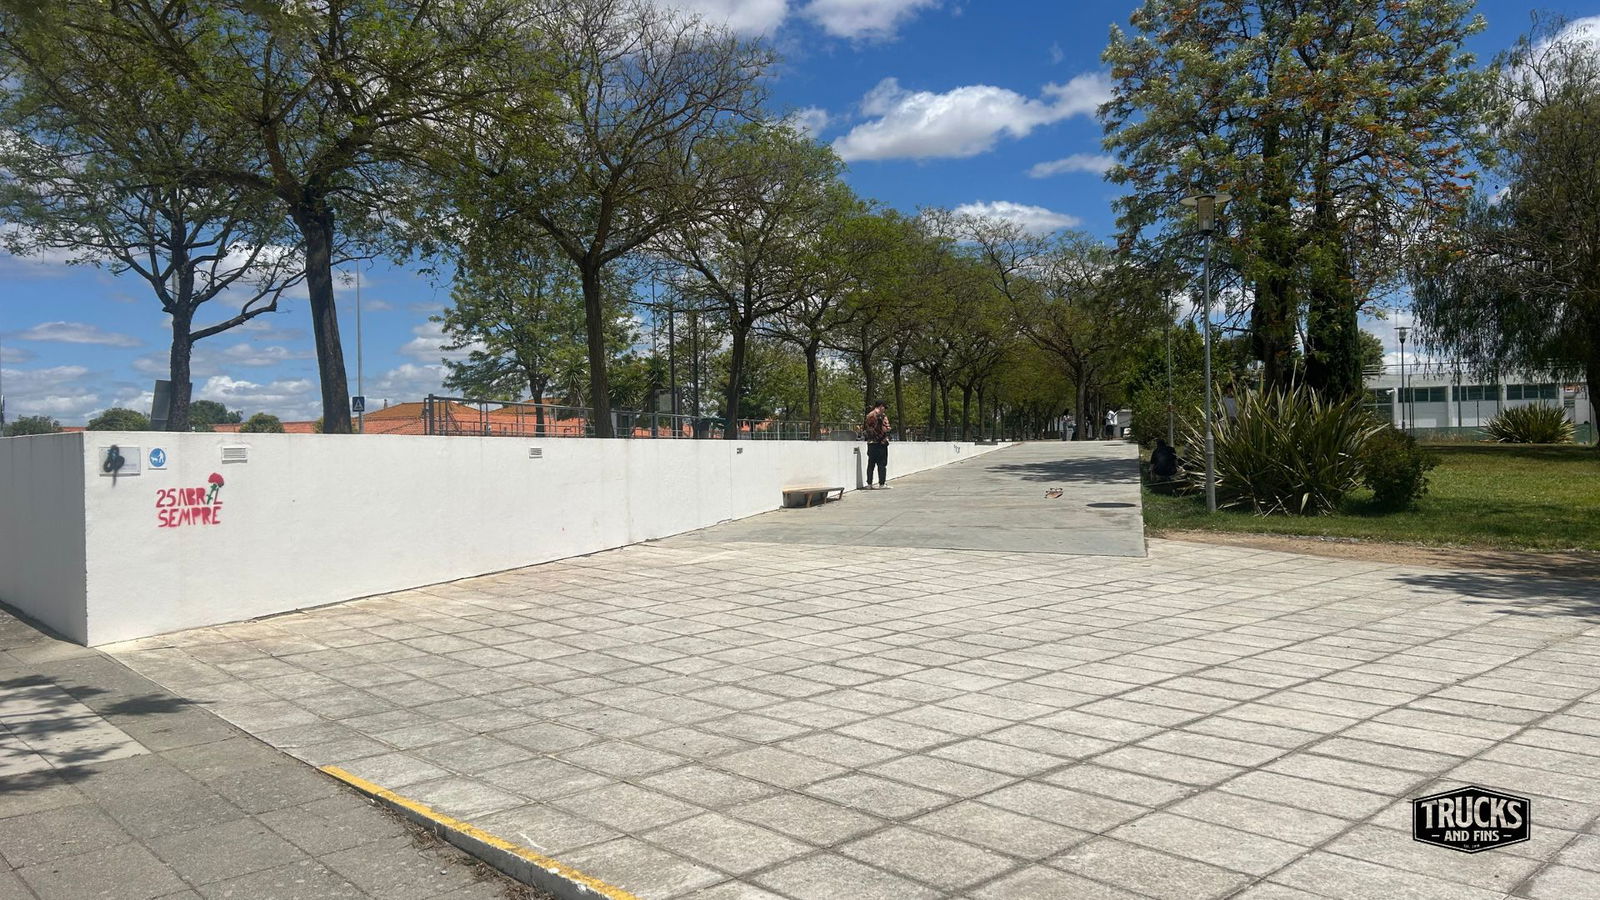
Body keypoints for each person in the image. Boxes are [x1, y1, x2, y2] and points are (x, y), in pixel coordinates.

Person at [863, 400, 891, 489]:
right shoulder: (882, 416)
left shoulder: (869, 415)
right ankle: (882, 484)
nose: (884, 409)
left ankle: (869, 484)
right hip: (881, 442)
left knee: (871, 464)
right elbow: (885, 429)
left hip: (871, 443)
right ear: (881, 406)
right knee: (882, 464)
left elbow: (867, 428)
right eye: (884, 407)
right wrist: (888, 428)